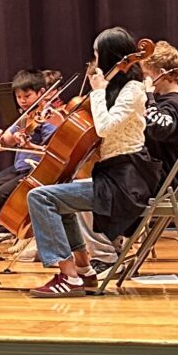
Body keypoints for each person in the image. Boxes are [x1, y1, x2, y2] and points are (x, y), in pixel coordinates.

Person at [28, 31, 156, 298]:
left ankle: (68, 275)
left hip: (125, 182)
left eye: (98, 55)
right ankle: (84, 270)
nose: (95, 62)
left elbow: (106, 127)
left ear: (110, 56)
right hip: (114, 175)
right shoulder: (118, 90)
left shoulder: (133, 90)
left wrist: (97, 92)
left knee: (39, 197)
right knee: (57, 198)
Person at [0, 70, 54, 229]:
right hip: (19, 169)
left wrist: (30, 146)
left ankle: (29, 230)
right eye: (18, 97)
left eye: (27, 96)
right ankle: (18, 228)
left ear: (42, 92)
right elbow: (7, 140)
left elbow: (51, 150)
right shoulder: (25, 117)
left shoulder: (48, 116)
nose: (22, 101)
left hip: (36, 170)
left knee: (1, 195)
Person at [142, 42, 178, 186]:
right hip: (174, 181)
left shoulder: (173, 105)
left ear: (162, 73)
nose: (143, 80)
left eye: (146, 75)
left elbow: (158, 128)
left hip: (161, 182)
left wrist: (149, 96)